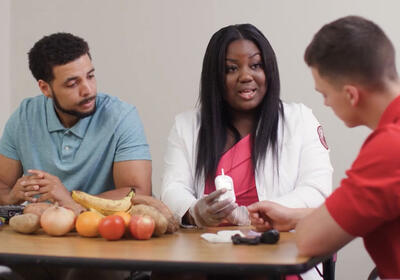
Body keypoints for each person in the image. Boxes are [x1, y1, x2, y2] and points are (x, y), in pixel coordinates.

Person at [160, 24, 332, 279]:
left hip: (278, 258)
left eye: (256, 65)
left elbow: (317, 191)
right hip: (205, 258)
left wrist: (260, 214)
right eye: (231, 68)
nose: (246, 76)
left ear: (268, 70)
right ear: (214, 77)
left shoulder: (300, 119)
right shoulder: (187, 126)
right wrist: (196, 211)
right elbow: (172, 189)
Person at [0, 32, 177, 279]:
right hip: (45, 245)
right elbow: (3, 186)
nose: (88, 90)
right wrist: (12, 196)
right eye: (72, 83)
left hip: (107, 245)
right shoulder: (24, 116)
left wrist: (69, 199)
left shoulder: (121, 117)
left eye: (90, 76)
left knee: (85, 273)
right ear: (45, 88)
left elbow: (137, 191)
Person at [248, 16, 400, 279]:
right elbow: (360, 211)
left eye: (325, 94)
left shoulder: (388, 149)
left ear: (351, 95)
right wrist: (295, 217)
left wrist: (303, 223)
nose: (326, 104)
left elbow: (311, 240)